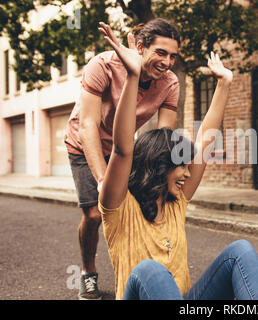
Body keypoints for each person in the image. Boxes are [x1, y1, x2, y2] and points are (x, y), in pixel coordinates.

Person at [96, 22, 258, 300]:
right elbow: (122, 150)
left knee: (241, 252)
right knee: (151, 270)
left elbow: (205, 139)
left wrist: (224, 84)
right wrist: (132, 77)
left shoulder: (175, 202)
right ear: (158, 165)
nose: (189, 175)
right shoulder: (119, 206)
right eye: (182, 166)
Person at [64, 18, 181, 300]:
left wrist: (165, 179)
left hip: (125, 147)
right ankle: (88, 272)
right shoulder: (103, 65)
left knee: (138, 211)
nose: (167, 62)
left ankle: (135, 275)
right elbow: (88, 124)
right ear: (140, 47)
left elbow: (163, 137)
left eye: (173, 55)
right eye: (161, 53)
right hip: (84, 143)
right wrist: (104, 179)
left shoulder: (170, 83)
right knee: (94, 213)